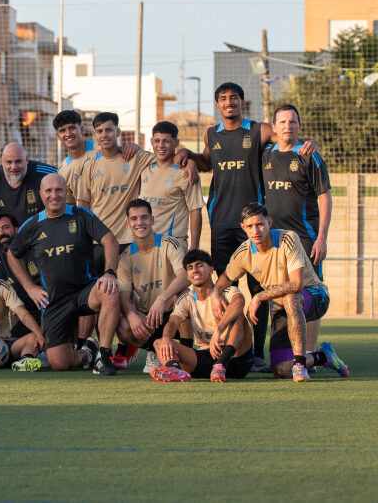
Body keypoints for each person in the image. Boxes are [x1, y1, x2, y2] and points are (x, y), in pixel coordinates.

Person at [177, 82, 317, 371]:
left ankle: (257, 355)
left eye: (234, 98)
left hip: (253, 224)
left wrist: (309, 141)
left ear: (242, 102)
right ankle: (227, 348)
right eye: (223, 99)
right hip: (221, 222)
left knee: (259, 289)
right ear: (217, 105)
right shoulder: (211, 133)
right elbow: (206, 161)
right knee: (223, 286)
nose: (229, 103)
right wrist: (186, 156)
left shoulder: (258, 129)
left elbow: (285, 131)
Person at [5, 173, 122, 375]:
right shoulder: (32, 225)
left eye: (59, 190)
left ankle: (104, 355)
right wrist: (30, 287)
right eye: (48, 191)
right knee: (60, 363)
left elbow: (110, 240)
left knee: (109, 290)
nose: (54, 195)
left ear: (66, 192)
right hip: (55, 301)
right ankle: (88, 353)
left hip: (85, 291)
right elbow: (12, 254)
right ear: (41, 195)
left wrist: (110, 272)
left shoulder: (81, 214)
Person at [216, 203, 347, 381]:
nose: (256, 230)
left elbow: (296, 284)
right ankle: (323, 356)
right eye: (250, 226)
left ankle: (300, 365)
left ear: (269, 222)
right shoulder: (244, 253)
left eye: (260, 224)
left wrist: (259, 296)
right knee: (281, 370)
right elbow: (225, 278)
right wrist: (216, 295)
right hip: (281, 307)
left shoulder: (287, 239)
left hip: (314, 295)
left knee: (291, 298)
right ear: (243, 228)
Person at [262, 104, 331, 353]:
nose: (287, 127)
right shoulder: (266, 155)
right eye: (282, 122)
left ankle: (310, 352)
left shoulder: (308, 154)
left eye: (292, 122)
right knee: (280, 293)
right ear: (274, 128)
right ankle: (286, 353)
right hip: (276, 242)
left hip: (305, 238)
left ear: (299, 126)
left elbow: (324, 196)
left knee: (309, 293)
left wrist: (321, 237)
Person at [148, 249, 256, 383]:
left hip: (236, 358)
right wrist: (166, 338)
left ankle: (221, 365)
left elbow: (239, 302)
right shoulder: (186, 299)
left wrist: (219, 329)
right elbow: (173, 322)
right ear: (187, 276)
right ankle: (175, 371)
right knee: (159, 343)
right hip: (207, 356)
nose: (195, 270)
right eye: (190, 268)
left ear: (211, 269)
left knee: (238, 315)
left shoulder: (226, 291)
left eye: (199, 265)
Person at [113, 199, 190, 370]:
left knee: (184, 294)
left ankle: (187, 353)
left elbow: (185, 276)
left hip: (174, 312)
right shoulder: (125, 257)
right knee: (122, 324)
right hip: (150, 318)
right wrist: (132, 315)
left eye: (144, 218)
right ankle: (154, 350)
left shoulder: (169, 243)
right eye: (134, 219)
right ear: (127, 223)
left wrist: (162, 298)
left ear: (152, 220)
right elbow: (124, 297)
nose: (140, 223)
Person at [76, 112, 157, 248]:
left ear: (118, 132)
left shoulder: (135, 157)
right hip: (99, 240)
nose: (104, 135)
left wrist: (186, 157)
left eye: (109, 130)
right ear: (95, 135)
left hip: (129, 239)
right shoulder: (89, 165)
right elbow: (84, 204)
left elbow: (165, 159)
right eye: (99, 131)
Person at [140, 121, 204, 250]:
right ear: (151, 142)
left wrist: (194, 246)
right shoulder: (144, 169)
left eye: (166, 141)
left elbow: (195, 210)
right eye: (157, 141)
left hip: (173, 246)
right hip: (146, 244)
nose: (161, 146)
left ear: (176, 143)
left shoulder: (186, 172)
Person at [0, 214, 43, 348]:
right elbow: (7, 309)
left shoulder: (37, 251)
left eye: (6, 228)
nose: (1, 233)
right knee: (15, 346)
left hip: (51, 311)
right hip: (26, 318)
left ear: (17, 229)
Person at [0, 142, 56, 225]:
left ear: (26, 160)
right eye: (9, 162)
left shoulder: (44, 173)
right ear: (2, 162)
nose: (14, 167)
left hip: (40, 233)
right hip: (10, 235)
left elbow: (64, 177)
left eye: (18, 161)